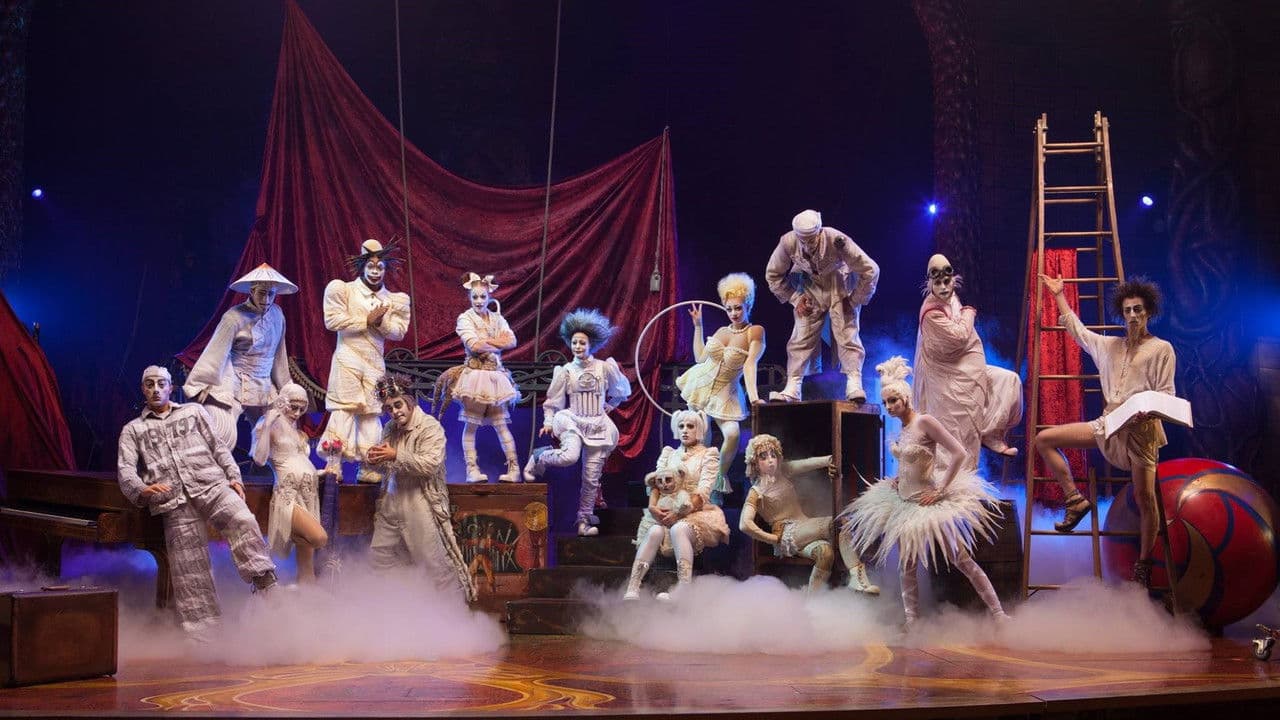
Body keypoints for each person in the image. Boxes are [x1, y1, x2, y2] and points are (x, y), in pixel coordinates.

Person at [840, 357, 1008, 628]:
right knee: (906, 565)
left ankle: (999, 614)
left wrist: (941, 490)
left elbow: (959, 453)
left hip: (927, 503)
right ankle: (912, 622)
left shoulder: (925, 421)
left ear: (905, 398)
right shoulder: (903, 427)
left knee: (961, 559)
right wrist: (899, 478)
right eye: (885, 402)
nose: (889, 407)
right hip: (904, 503)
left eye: (893, 401)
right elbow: (912, 461)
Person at [1034, 275, 1177, 587]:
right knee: (1044, 439)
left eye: (1138, 309)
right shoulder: (1110, 346)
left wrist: (1146, 411)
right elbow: (1080, 332)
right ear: (1121, 314)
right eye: (1127, 310)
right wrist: (1059, 295)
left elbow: (1166, 394)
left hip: (1142, 431)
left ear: (1148, 312)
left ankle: (1144, 563)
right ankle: (1075, 500)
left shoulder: (1162, 349)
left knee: (1145, 497)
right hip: (1109, 423)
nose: (1133, 316)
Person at [117, 366, 277, 638]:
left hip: (211, 483)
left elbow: (218, 447)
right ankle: (206, 637)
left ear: (171, 387)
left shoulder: (194, 412)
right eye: (150, 384)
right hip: (173, 500)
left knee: (243, 519)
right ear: (143, 389)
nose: (156, 389)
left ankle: (265, 581)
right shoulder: (134, 430)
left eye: (161, 384)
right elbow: (125, 470)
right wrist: (142, 489)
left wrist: (234, 477)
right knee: (190, 569)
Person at [365, 374, 476, 601]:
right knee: (380, 557)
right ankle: (402, 603)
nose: (395, 412)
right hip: (391, 501)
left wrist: (395, 454)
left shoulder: (430, 427)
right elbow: (387, 465)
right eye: (389, 408)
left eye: (398, 405)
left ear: (409, 401)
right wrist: (374, 459)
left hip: (419, 502)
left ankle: (453, 611)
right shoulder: (390, 428)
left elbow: (430, 465)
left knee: (433, 562)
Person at [524, 308, 632, 535]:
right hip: (572, 420)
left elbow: (621, 391)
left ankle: (583, 522)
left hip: (598, 425)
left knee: (591, 479)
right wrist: (549, 421)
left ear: (591, 344)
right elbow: (553, 400)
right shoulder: (565, 371)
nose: (578, 346)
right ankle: (539, 456)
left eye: (582, 343)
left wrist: (611, 404)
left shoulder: (604, 367)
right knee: (569, 457)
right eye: (574, 342)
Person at [913, 254, 1023, 470]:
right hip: (946, 378)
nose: (943, 287)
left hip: (969, 371)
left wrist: (964, 311)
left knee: (1009, 381)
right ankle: (951, 481)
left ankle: (991, 433)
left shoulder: (952, 298)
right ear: (930, 284)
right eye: (938, 283)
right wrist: (969, 313)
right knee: (956, 431)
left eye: (947, 282)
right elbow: (960, 336)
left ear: (953, 280)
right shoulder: (931, 312)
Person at [738, 434, 879, 594]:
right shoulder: (756, 491)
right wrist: (772, 539)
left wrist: (829, 461)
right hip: (787, 533)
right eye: (763, 457)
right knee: (838, 523)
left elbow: (807, 464)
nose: (770, 460)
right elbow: (744, 524)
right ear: (755, 464)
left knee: (825, 553)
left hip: (804, 527)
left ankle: (812, 603)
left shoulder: (784, 471)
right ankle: (858, 578)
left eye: (773, 455)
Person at [764, 209, 879, 403]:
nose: (807, 245)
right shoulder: (788, 242)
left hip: (838, 284)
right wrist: (795, 298)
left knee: (847, 332)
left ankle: (854, 382)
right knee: (801, 334)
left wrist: (854, 299)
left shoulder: (837, 239)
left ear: (819, 232)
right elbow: (772, 275)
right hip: (810, 286)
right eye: (802, 240)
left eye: (811, 240)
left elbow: (870, 270)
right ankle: (793, 386)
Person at [322, 239, 411, 483]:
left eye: (380, 267)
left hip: (374, 362)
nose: (375, 271)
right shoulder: (344, 290)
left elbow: (399, 332)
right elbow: (332, 320)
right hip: (348, 356)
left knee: (371, 413)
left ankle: (369, 467)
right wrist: (365, 321)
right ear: (362, 266)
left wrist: (381, 322)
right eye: (370, 266)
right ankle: (333, 464)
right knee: (343, 409)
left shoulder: (395, 299)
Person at [183, 263, 297, 450]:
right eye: (261, 293)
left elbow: (279, 354)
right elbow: (216, 350)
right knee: (222, 434)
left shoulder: (277, 315)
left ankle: (264, 462)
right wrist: (201, 383)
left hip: (264, 382)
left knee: (279, 437)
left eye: (271, 294)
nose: (266, 299)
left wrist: (286, 386)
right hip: (233, 379)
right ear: (252, 291)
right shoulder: (234, 317)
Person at [676, 273, 765, 502]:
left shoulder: (755, 332)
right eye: (729, 309)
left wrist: (754, 398)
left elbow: (750, 365)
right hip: (701, 387)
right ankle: (699, 492)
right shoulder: (722, 332)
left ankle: (718, 480)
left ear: (748, 305)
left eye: (738, 308)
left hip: (727, 394)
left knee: (733, 435)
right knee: (701, 441)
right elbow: (700, 358)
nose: (734, 313)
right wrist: (698, 326)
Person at [623, 410, 730, 600]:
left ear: (699, 429)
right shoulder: (669, 454)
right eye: (681, 426)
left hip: (695, 511)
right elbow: (656, 484)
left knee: (678, 529)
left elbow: (703, 493)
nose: (685, 430)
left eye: (690, 426)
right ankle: (633, 586)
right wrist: (653, 507)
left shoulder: (708, 454)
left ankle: (683, 589)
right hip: (666, 507)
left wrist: (679, 513)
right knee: (654, 531)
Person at [250, 383, 329, 583]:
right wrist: (267, 424)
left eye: (302, 409)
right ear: (282, 402)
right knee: (319, 537)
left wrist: (320, 472)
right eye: (293, 407)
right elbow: (259, 459)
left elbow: (299, 461)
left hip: (308, 495)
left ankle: (306, 595)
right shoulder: (268, 423)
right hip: (288, 496)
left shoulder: (295, 431)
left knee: (307, 566)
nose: (297, 413)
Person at [447, 273, 521, 483]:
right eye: (475, 297)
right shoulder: (465, 318)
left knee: (501, 424)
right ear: (469, 297)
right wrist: (498, 342)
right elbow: (474, 345)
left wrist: (489, 342)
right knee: (471, 424)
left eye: (482, 297)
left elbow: (512, 341)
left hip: (495, 375)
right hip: (476, 376)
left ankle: (514, 468)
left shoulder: (497, 318)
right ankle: (471, 469)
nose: (479, 301)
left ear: (489, 297)